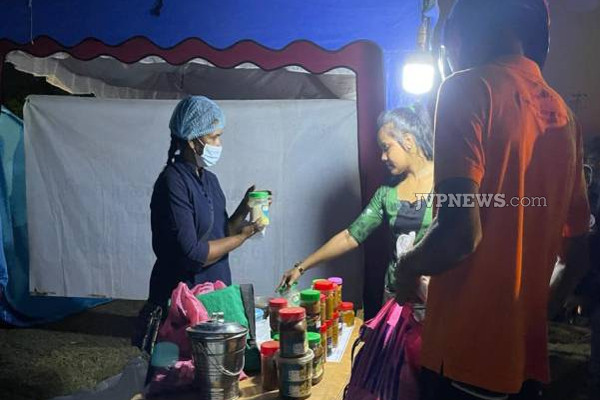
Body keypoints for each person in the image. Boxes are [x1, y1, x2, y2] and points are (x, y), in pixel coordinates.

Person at [393, 1, 591, 399]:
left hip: (467, 355)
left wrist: (408, 266)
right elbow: (578, 250)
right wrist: (535, 315)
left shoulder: (467, 88)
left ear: (457, 36)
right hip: (525, 362)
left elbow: (459, 233)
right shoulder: (564, 117)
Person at [279, 104, 433, 307]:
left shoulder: (447, 183)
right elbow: (350, 236)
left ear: (408, 141)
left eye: (386, 147)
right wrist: (301, 267)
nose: (383, 157)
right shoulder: (387, 193)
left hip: (436, 298)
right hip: (396, 301)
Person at [143, 96, 266, 315]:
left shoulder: (210, 180)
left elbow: (220, 233)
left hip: (213, 297)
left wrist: (245, 207)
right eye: (214, 137)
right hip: (183, 303)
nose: (219, 144)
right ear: (192, 141)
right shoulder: (173, 182)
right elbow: (193, 254)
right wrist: (242, 237)